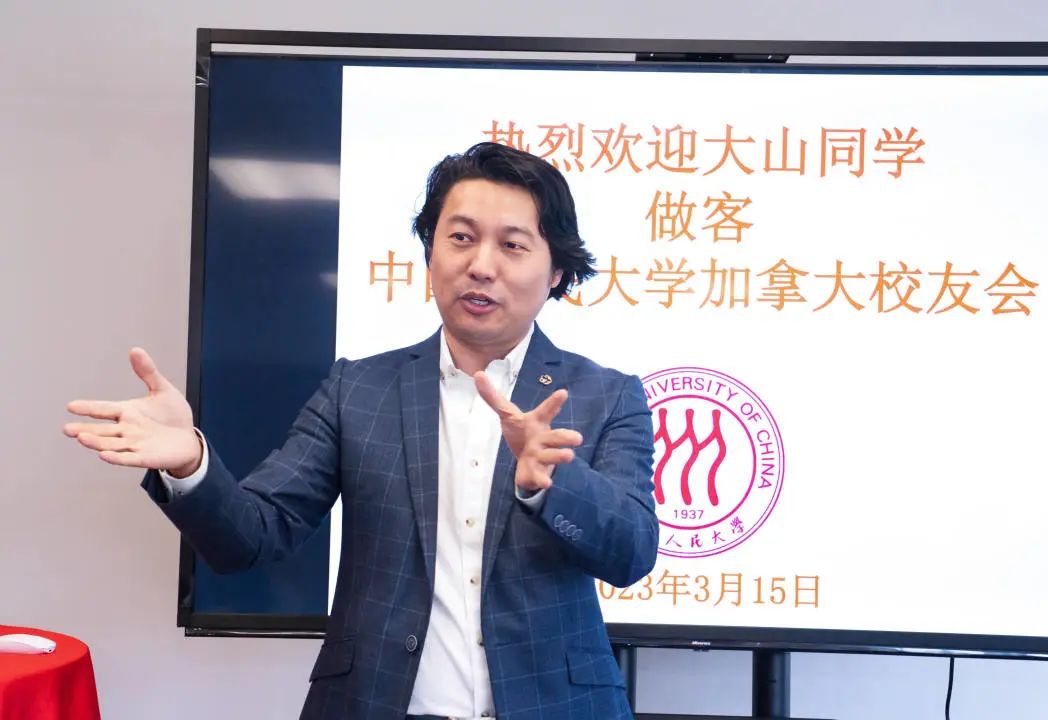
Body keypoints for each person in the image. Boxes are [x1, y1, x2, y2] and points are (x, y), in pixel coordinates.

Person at [64, 142, 659, 720]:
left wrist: (551, 483)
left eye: (512, 245)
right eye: (460, 238)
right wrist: (191, 463)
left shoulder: (606, 395)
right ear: (430, 252)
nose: (481, 265)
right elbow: (250, 537)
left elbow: (632, 554)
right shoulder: (358, 389)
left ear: (556, 270)